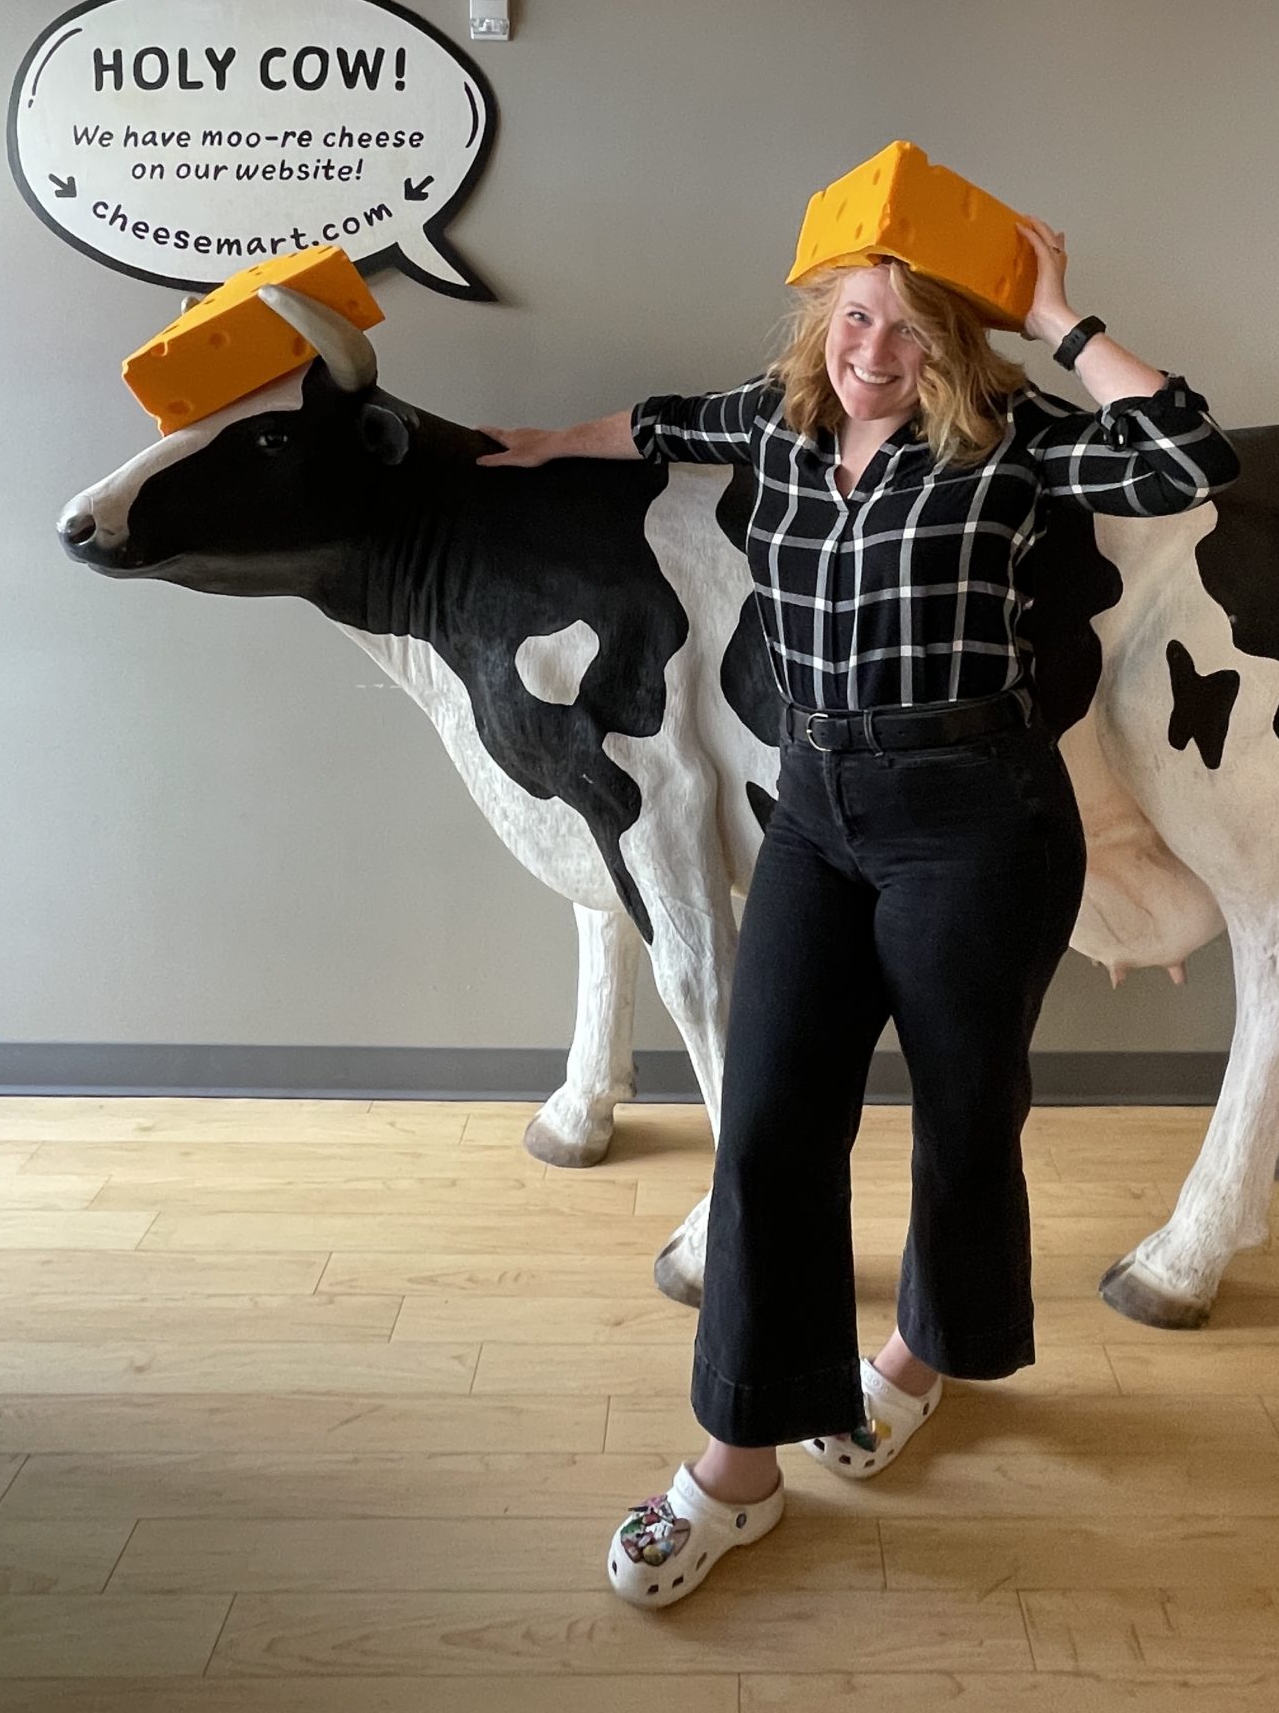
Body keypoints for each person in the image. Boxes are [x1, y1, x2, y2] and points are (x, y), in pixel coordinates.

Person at [479, 216, 1238, 1606]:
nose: (872, 351)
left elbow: (1190, 454)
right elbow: (652, 425)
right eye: (853, 320)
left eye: (908, 328)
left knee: (964, 1112)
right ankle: (736, 1466)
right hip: (819, 811)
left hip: (976, 813)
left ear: (955, 344)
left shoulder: (1007, 443)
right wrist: (540, 447)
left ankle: (916, 1360)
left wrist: (1057, 312)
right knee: (767, 1121)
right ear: (819, 325)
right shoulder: (777, 428)